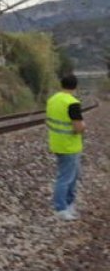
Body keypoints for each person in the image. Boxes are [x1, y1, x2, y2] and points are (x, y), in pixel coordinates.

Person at [46, 75, 85, 220]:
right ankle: (61, 209)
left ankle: (69, 206)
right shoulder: (72, 103)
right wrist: (83, 126)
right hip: (69, 145)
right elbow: (78, 127)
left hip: (57, 142)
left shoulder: (53, 99)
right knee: (66, 178)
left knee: (70, 177)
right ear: (75, 86)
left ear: (61, 84)